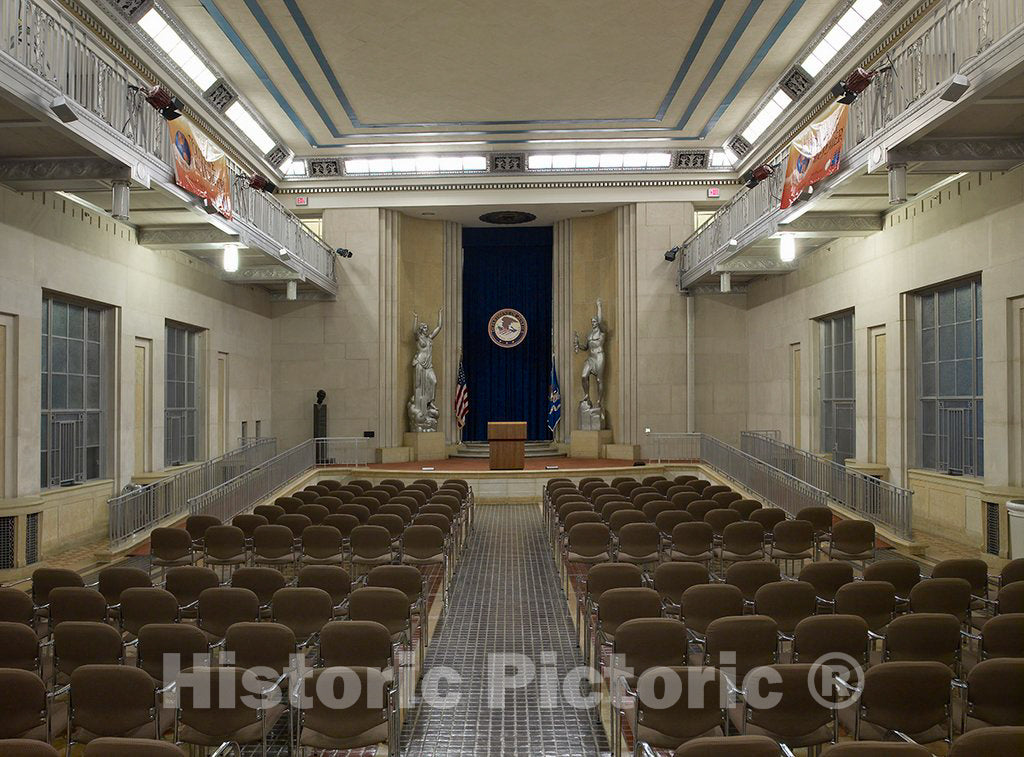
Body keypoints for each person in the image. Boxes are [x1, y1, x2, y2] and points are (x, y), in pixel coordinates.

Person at [574, 298, 606, 409]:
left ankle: (599, 402)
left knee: (599, 380)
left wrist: (599, 306)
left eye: (594, 321)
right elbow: (586, 347)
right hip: (591, 357)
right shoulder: (589, 334)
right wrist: (578, 344)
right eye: (591, 322)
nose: (593, 323)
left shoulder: (601, 331)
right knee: (583, 376)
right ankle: (587, 395)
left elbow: (601, 319)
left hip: (599, 356)